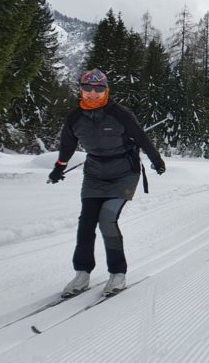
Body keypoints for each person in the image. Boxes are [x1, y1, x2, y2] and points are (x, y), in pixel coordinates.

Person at [48, 69, 166, 297]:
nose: (93, 94)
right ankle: (82, 274)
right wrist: (58, 168)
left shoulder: (120, 114)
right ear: (81, 89)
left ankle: (118, 273)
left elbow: (141, 138)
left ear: (106, 90)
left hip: (124, 172)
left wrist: (156, 160)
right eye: (87, 89)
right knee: (86, 222)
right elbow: (67, 145)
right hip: (94, 174)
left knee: (107, 219)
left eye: (99, 89)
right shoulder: (75, 117)